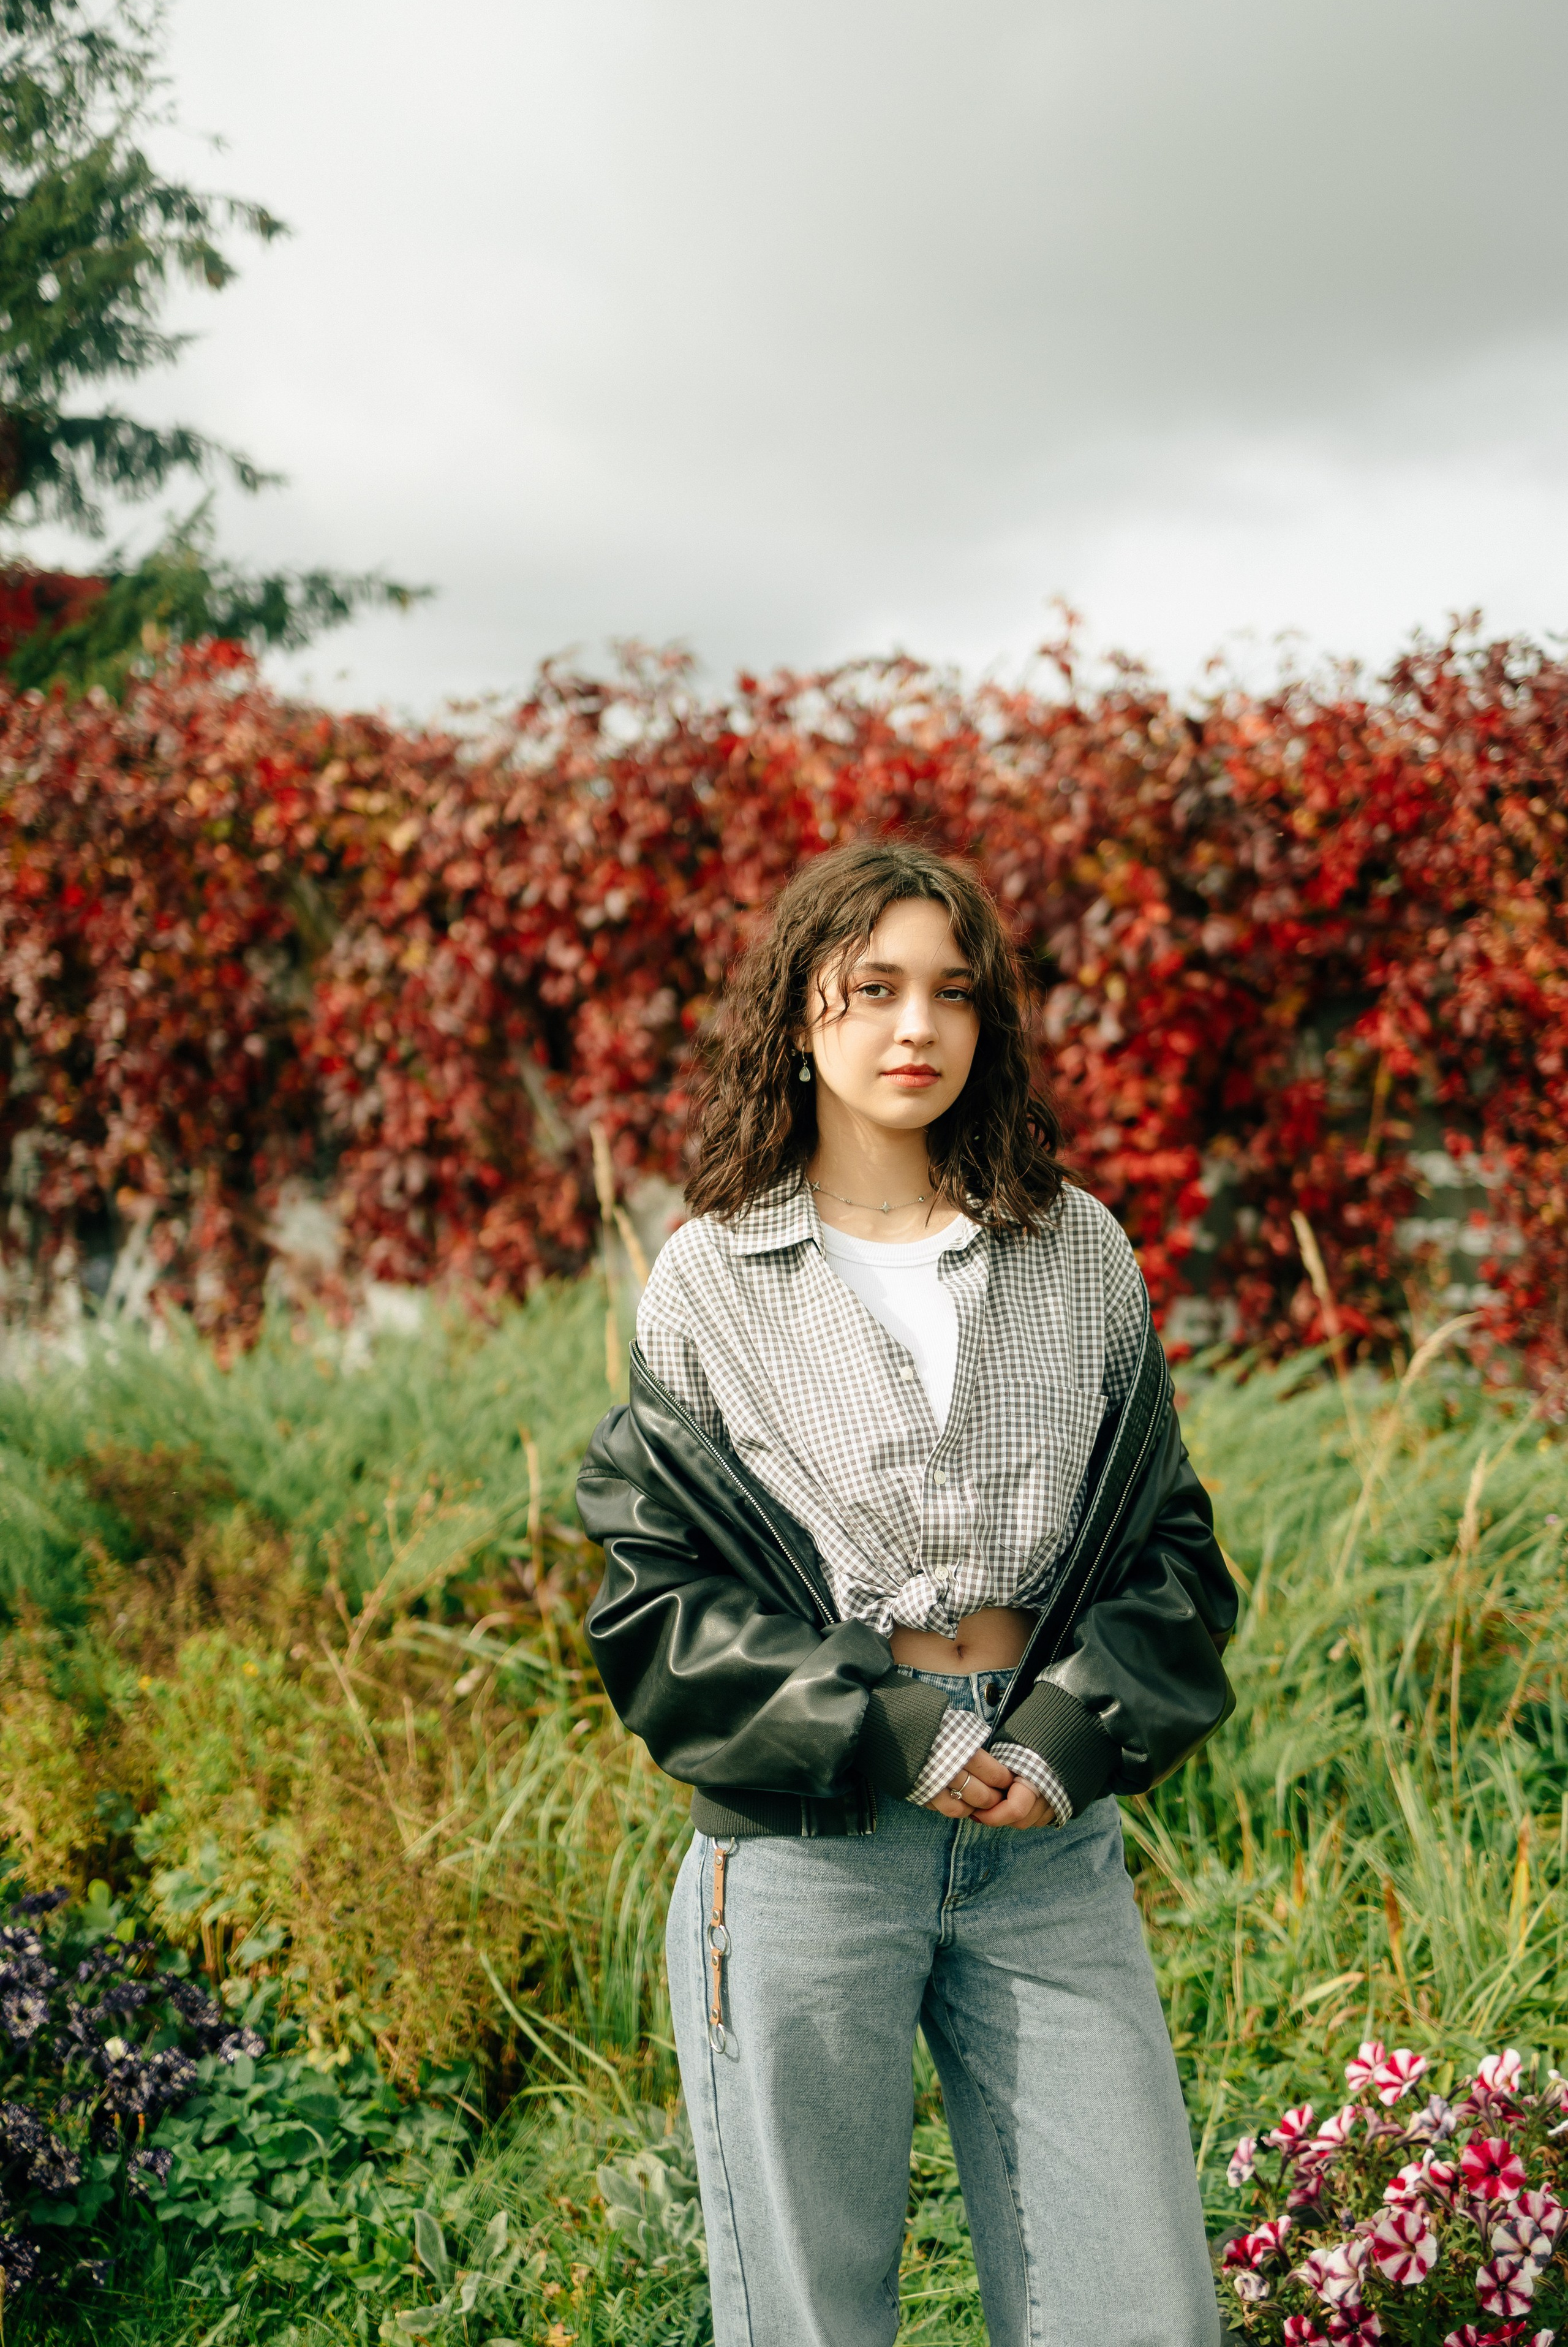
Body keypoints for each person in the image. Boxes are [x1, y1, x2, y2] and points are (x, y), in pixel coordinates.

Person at [576, 839, 1237, 2347]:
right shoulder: (706, 1278)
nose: (913, 1029)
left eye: (950, 993)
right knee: (813, 2319)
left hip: (1045, 1834)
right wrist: (895, 1733)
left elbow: (1170, 1556)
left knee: (1138, 2306)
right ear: (798, 1022)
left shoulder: (1077, 1254)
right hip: (806, 1842)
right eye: (868, 990)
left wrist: (1062, 1736)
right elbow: (659, 1602)